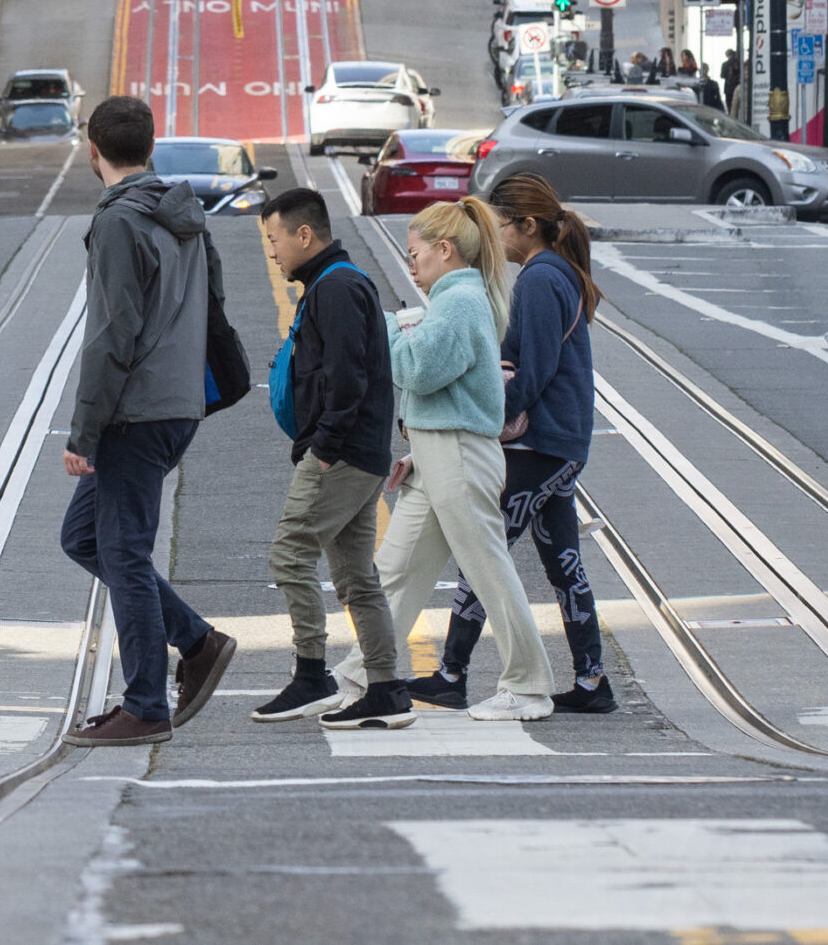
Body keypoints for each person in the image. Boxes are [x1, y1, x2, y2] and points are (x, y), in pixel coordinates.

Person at [57, 95, 238, 746]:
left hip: (137, 409)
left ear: (93, 149)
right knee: (83, 537)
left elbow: (112, 333)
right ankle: (196, 640)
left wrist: (84, 431)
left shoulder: (118, 221)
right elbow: (211, 309)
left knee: (124, 553)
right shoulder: (182, 215)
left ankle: (145, 704)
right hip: (178, 401)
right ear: (151, 146)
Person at [347, 198, 554, 721]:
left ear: (445, 250)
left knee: (486, 567)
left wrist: (390, 326)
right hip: (442, 449)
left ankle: (529, 686)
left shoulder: (459, 299)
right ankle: (360, 675)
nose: (410, 265)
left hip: (458, 450)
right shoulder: (459, 297)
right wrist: (421, 451)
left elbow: (418, 371)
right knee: (397, 568)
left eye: (414, 255)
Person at [413, 173, 612, 714]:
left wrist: (487, 414)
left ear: (525, 225)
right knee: (562, 562)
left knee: (484, 550)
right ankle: (593, 682)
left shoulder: (542, 277)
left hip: (542, 443)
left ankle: (452, 673)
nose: (496, 238)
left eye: (500, 226)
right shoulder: (552, 273)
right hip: (561, 441)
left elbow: (537, 368)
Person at [251, 187, 403, 729]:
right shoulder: (339, 283)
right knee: (356, 577)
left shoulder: (335, 289)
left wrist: (323, 449)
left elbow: (347, 377)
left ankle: (312, 676)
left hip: (339, 455)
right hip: (361, 453)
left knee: (290, 554)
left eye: (274, 239)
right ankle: (386, 688)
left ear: (304, 234)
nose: (272, 252)